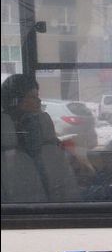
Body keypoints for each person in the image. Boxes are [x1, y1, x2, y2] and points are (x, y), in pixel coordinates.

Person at [1, 73, 80, 201]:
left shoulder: (44, 139)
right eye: (33, 97)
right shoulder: (12, 139)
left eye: (38, 96)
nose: (39, 101)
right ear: (16, 101)